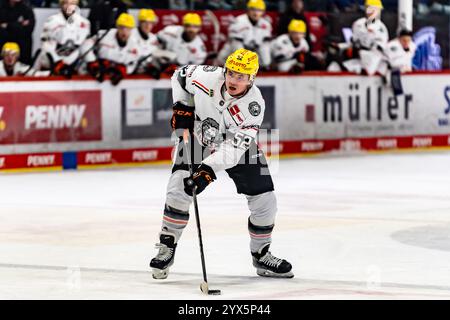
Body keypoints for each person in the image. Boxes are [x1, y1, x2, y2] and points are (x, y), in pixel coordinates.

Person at [150, 48, 294, 280]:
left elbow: (234, 149)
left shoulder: (254, 105)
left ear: (251, 78)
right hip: (198, 137)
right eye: (231, 73)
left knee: (266, 200)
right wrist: (182, 105)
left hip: (235, 147)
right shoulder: (206, 75)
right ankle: (167, 246)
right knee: (178, 188)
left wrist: (206, 170)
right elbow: (179, 75)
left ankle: (261, 254)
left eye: (241, 76)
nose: (233, 80)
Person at [81, 13, 140, 85]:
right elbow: (86, 45)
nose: (124, 32)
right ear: (117, 27)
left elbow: (134, 63)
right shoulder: (104, 34)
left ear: (132, 30)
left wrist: (124, 70)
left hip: (114, 77)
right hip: (97, 72)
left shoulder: (135, 45)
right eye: (122, 27)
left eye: (128, 28)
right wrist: (92, 62)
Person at [36, 0, 90, 77]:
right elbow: (46, 43)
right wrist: (58, 62)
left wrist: (92, 61)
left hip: (73, 67)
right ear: (61, 5)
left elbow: (85, 44)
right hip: (51, 66)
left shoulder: (84, 23)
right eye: (66, 3)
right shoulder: (51, 21)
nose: (69, 6)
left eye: (72, 4)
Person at [217, 0, 272, 70]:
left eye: (259, 10)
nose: (256, 13)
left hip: (253, 52)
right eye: (253, 10)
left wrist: (265, 63)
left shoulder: (266, 24)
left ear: (263, 12)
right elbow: (236, 45)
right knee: (225, 58)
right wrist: (245, 62)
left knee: (265, 60)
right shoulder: (238, 21)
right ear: (248, 10)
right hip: (233, 53)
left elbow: (264, 45)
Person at [0, 0, 35, 64]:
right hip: (3, 44)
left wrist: (8, 25)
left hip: (22, 47)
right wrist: (19, 25)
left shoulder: (26, 8)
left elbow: (29, 29)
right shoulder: (1, 7)